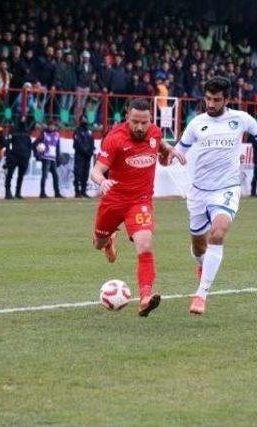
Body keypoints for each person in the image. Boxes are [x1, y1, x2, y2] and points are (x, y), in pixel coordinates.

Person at [176, 77, 257, 315]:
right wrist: (169, 155)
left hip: (226, 189)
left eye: (216, 100)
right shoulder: (196, 123)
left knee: (218, 232)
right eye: (208, 99)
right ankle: (202, 265)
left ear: (227, 99)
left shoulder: (240, 119)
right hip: (198, 192)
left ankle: (201, 294)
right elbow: (179, 150)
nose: (211, 104)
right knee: (198, 245)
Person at [90, 98, 186, 317]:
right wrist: (102, 181)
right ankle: (109, 242)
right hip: (113, 200)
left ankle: (145, 297)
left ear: (150, 120)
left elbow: (159, 149)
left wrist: (168, 150)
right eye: (135, 122)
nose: (140, 127)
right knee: (98, 243)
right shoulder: (114, 139)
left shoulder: (154, 132)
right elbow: (96, 170)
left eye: (144, 122)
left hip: (140, 201)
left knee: (144, 243)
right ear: (127, 118)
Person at [4, 118, 32, 199]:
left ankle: (17, 192)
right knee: (10, 175)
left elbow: (29, 146)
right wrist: (9, 155)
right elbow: (8, 144)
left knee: (20, 176)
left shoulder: (26, 132)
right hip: (14, 157)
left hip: (23, 157)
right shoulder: (13, 131)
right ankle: (8, 192)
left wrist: (28, 156)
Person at [34, 120, 63, 199]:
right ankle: (42, 193)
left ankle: (57, 193)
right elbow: (35, 143)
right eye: (50, 125)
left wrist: (58, 158)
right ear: (48, 126)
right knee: (44, 176)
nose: (52, 127)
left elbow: (57, 147)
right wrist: (39, 152)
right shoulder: (44, 134)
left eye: (53, 126)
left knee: (55, 176)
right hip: (46, 158)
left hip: (53, 158)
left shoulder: (57, 134)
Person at [72, 115, 94, 198]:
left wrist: (90, 151)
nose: (84, 121)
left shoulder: (89, 131)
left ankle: (84, 191)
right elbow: (77, 143)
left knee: (85, 174)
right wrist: (85, 151)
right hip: (79, 155)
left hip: (87, 156)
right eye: (83, 120)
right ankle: (77, 192)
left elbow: (92, 142)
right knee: (78, 174)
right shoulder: (77, 131)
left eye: (85, 119)